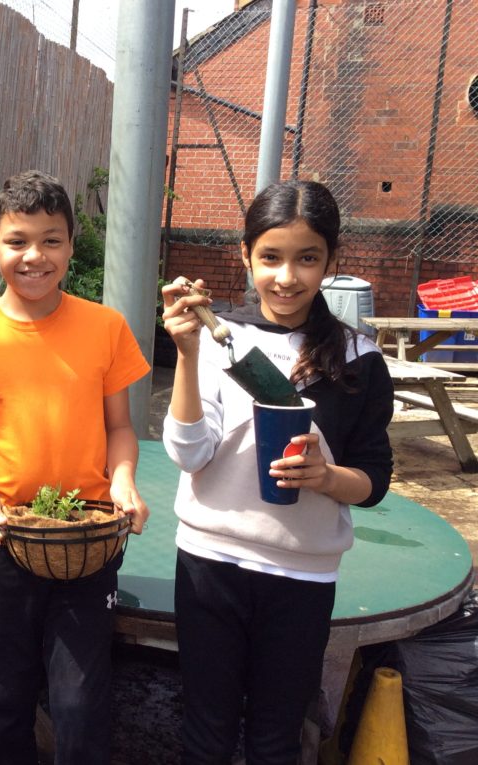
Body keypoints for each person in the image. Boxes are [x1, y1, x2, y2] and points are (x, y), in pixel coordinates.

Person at [160, 179, 394, 765]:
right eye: (270, 257)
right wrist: (188, 358)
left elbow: (373, 479)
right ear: (246, 256)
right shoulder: (218, 338)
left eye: (307, 258)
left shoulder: (358, 358)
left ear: (331, 262)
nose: (286, 276)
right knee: (205, 732)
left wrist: (326, 477)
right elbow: (190, 454)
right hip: (209, 563)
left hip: (302, 577)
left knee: (276, 737)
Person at [0, 170, 151, 765]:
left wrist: (124, 479)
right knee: (0, 699)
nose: (35, 256)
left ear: (72, 245)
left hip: (87, 537)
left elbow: (120, 428)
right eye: (18, 240)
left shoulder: (105, 328)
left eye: (51, 240)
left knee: (80, 702)